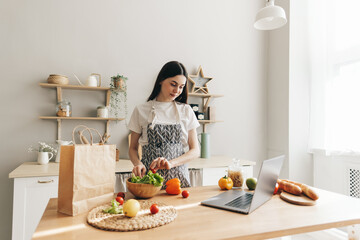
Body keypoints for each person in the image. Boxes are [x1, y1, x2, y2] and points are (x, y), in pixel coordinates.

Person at [128, 61, 200, 188]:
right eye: (173, 84)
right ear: (161, 80)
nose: (177, 90)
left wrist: (171, 163)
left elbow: (195, 151)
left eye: (181, 87)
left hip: (179, 181)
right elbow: (132, 148)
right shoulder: (141, 110)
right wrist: (137, 164)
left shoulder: (186, 110)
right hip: (149, 180)